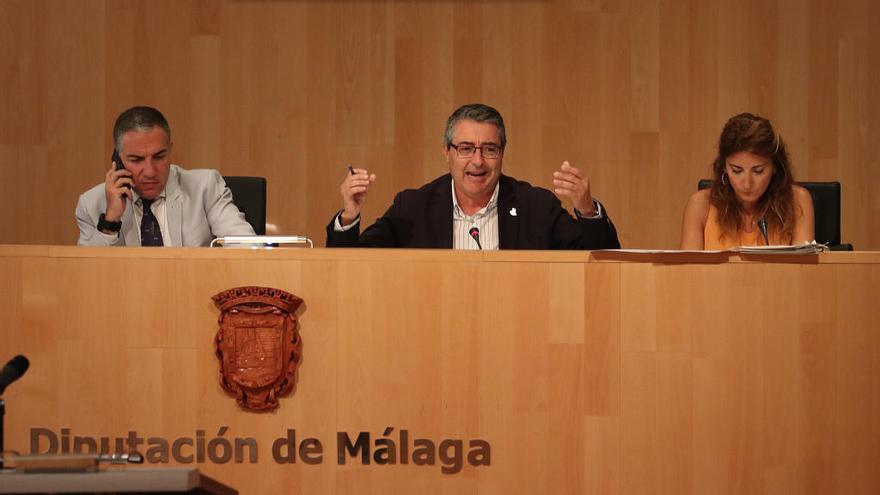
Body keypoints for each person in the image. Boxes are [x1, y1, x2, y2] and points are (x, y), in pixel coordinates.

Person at [326, 103, 620, 249]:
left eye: (489, 149)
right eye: (466, 148)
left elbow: (602, 263)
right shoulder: (414, 207)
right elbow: (354, 266)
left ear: (502, 153)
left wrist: (586, 209)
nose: (477, 161)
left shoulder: (536, 206)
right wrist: (349, 217)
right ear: (447, 152)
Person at [76, 106, 255, 246]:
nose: (150, 171)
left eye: (159, 157)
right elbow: (86, 277)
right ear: (118, 159)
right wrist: (110, 222)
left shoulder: (205, 187)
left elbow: (249, 250)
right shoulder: (91, 204)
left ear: (170, 150)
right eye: (136, 159)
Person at [680, 112, 814, 250]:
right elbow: (689, 271)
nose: (747, 184)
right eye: (737, 171)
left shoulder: (797, 201)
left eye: (758, 171)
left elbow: (802, 270)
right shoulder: (701, 205)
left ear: (774, 166)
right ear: (724, 167)